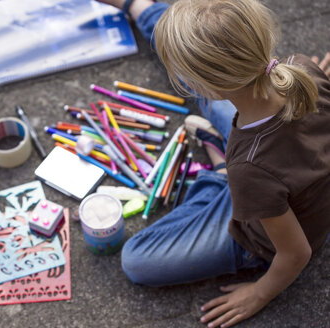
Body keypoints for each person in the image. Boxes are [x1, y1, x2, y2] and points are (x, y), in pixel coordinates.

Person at [96, 0, 330, 327]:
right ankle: (137, 5)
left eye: (188, 78)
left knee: (136, 260)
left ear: (211, 88)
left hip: (259, 234)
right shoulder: (300, 68)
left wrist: (261, 293)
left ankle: (217, 175)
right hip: (272, 178)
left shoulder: (251, 169)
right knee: (204, 53)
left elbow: (296, 254)